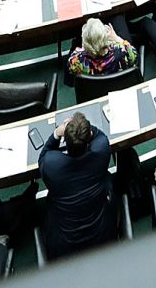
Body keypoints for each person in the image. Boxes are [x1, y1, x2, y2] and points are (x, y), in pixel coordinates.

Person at [38, 111, 116, 259]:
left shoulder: (52, 164)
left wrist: (57, 133)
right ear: (90, 137)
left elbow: (44, 154)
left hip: (65, 244)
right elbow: (99, 135)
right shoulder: (101, 150)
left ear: (66, 141)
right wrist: (82, 129)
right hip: (101, 235)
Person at [68, 17, 137, 78]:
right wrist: (116, 38)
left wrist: (84, 47)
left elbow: (71, 68)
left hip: (94, 91)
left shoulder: (77, 61)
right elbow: (133, 54)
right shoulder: (121, 52)